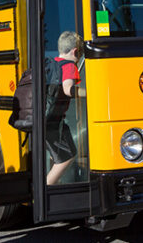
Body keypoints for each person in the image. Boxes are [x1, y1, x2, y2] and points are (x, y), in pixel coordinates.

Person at [46, 31, 81, 185]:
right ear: (75, 51)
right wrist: (90, 92)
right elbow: (68, 89)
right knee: (68, 156)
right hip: (54, 122)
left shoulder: (52, 64)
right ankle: (46, 188)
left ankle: (53, 186)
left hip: (47, 119)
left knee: (59, 155)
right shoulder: (69, 65)